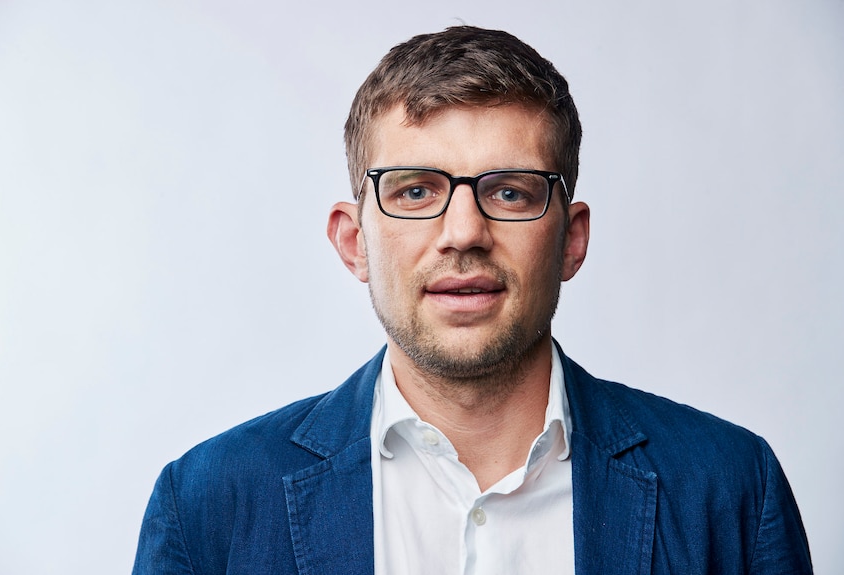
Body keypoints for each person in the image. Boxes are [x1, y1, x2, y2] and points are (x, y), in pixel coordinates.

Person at [132, 26, 812, 574]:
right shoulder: (207, 506)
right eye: (415, 190)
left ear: (571, 239)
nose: (464, 233)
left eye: (511, 191)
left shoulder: (728, 488)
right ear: (354, 241)